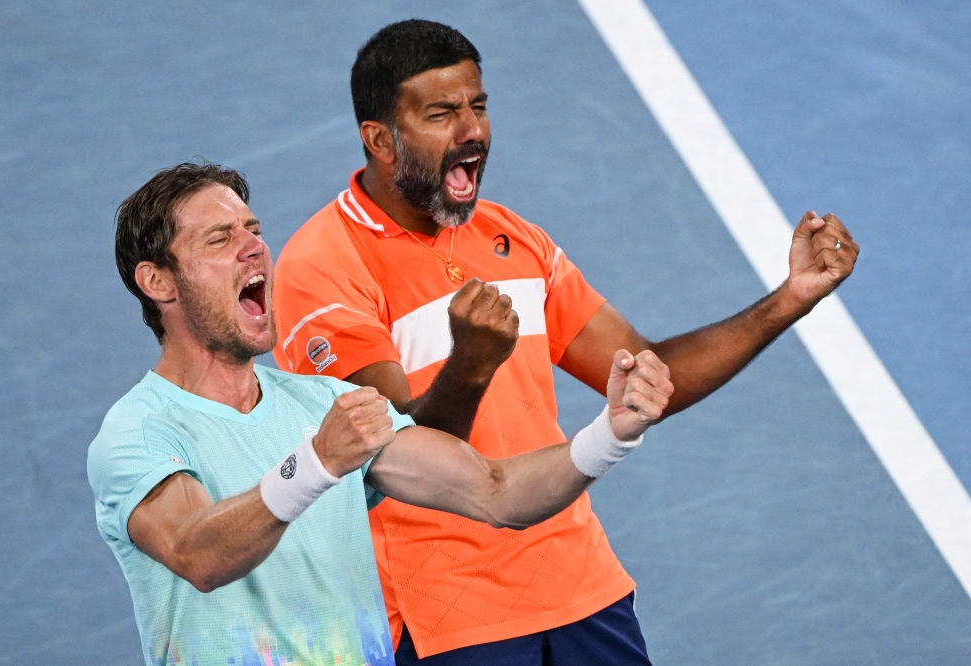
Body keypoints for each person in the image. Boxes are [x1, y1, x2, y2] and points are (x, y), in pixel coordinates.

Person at [271, 19, 859, 665]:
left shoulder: (513, 237)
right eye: (442, 113)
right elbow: (387, 457)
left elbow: (650, 375)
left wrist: (790, 297)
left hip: (583, 590)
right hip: (447, 619)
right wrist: (470, 365)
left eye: (479, 106)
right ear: (380, 139)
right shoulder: (323, 267)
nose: (472, 131)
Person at [87, 162, 674, 666]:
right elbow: (198, 554)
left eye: (253, 228)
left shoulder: (322, 403)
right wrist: (315, 465)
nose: (253, 247)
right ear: (157, 281)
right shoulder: (140, 431)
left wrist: (609, 435)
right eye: (219, 239)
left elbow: (496, 491)